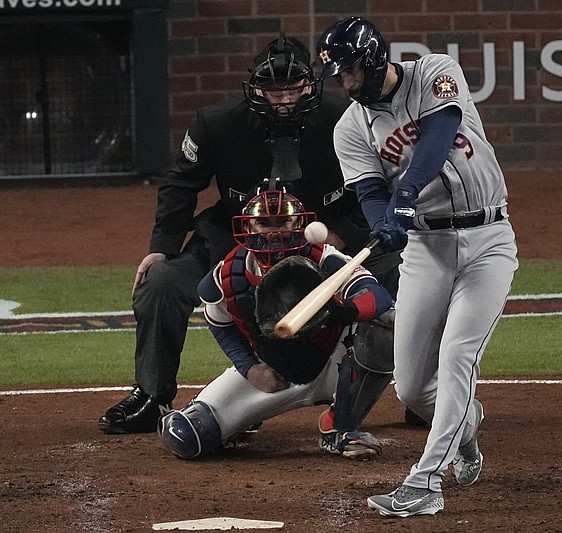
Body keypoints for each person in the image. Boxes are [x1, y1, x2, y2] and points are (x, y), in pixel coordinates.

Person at [98, 34, 401, 434]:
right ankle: (153, 396)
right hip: (237, 245)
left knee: (404, 265)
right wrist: (161, 248)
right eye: (273, 90)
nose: (284, 99)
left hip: (323, 244)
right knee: (160, 283)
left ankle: (420, 388)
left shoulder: (347, 119)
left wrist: (341, 235)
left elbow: (376, 188)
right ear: (255, 88)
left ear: (311, 84)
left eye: (293, 88)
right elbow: (179, 185)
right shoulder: (216, 123)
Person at [316, 17, 519, 517]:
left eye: (348, 72)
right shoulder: (350, 128)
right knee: (411, 385)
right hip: (426, 250)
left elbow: (439, 133)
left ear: (372, 60)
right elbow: (368, 192)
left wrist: (404, 195)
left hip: (487, 240)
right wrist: (383, 221)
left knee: (456, 356)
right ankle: (464, 429)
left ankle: (425, 483)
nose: (344, 84)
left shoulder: (435, 71)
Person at [158, 189, 395, 460]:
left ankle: (340, 426)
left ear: (298, 225)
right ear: (248, 226)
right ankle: (243, 421)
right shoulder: (228, 273)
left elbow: (378, 297)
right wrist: (250, 369)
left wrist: (345, 312)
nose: (274, 232)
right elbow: (219, 322)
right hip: (275, 372)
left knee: (385, 324)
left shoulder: (323, 258)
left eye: (283, 222)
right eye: (265, 223)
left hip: (335, 363)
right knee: (186, 435)